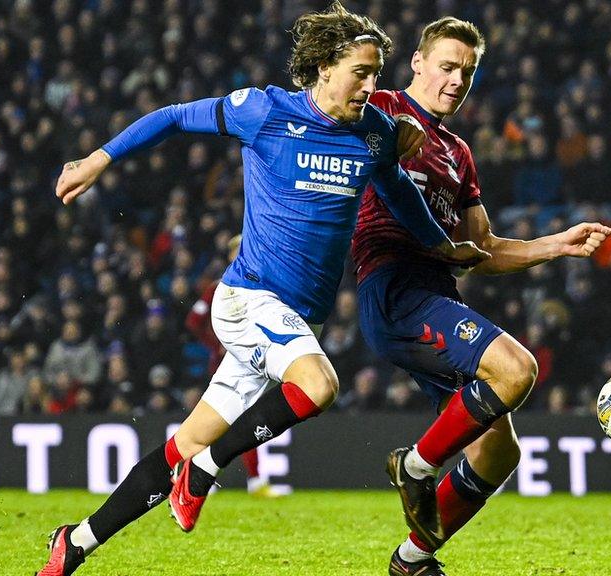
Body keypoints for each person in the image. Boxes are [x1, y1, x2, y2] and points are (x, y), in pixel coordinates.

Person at [37, 3, 488, 575]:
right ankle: (207, 469)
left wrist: (446, 247)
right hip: (248, 301)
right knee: (319, 384)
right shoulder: (265, 111)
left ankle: (75, 543)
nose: (372, 87)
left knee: (181, 442)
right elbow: (176, 116)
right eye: (361, 73)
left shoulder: (374, 133)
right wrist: (98, 159)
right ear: (324, 67)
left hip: (294, 323)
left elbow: (401, 195)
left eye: (377, 75)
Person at [349, 18, 611, 575]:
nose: (455, 80)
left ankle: (412, 560)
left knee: (498, 450)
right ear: (417, 63)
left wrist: (554, 245)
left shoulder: (458, 153)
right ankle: (417, 465)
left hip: (435, 294)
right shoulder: (381, 107)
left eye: (466, 72)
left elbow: (483, 247)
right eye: (446, 66)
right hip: (394, 285)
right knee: (517, 370)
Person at [184, 234, 278, 498]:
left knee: (247, 420)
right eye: (238, 250)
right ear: (229, 255)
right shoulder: (217, 288)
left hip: (253, 364)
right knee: (222, 420)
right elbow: (194, 320)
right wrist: (216, 343)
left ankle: (247, 480)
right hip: (225, 364)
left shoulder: (262, 285)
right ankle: (209, 477)